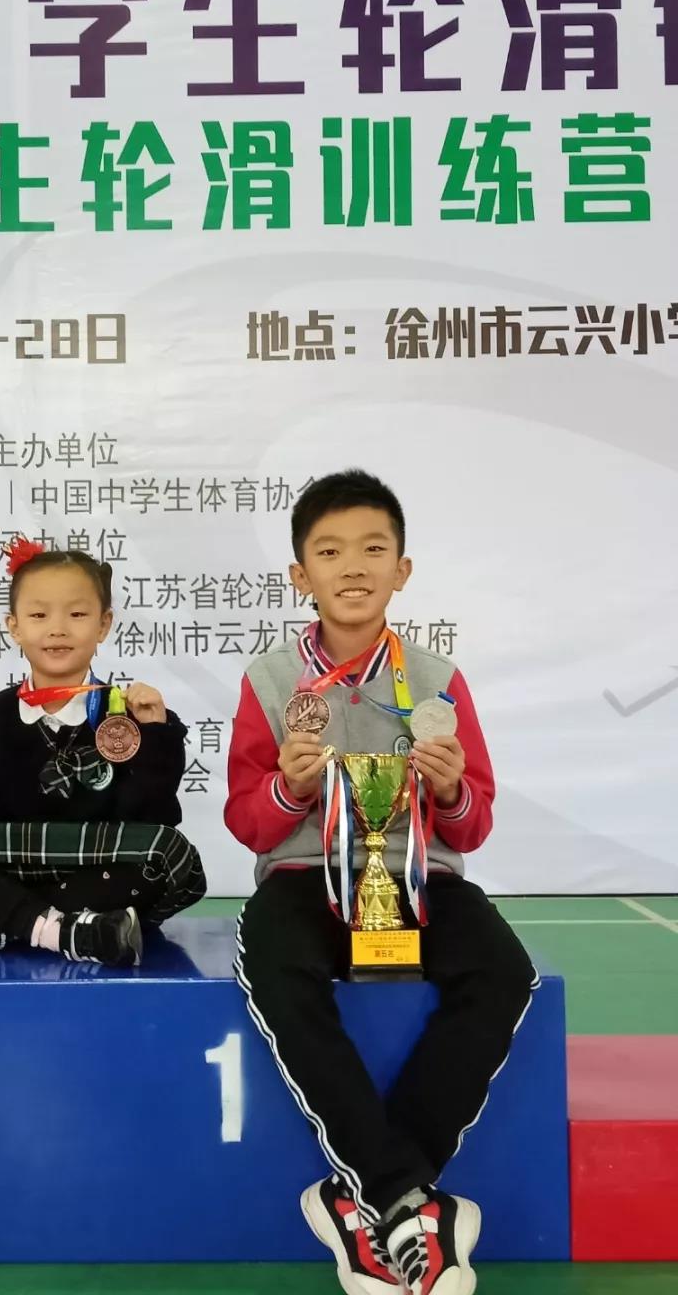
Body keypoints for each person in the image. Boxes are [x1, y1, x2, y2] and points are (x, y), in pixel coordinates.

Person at [225, 469, 536, 1295]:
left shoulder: (437, 679)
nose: (352, 567)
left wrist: (449, 789)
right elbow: (248, 823)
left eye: (372, 549)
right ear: (301, 574)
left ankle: (366, 1197)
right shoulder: (270, 679)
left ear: (403, 569)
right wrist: (289, 788)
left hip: (418, 876)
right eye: (329, 552)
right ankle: (409, 1202)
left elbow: (473, 826)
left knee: (504, 971)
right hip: (305, 877)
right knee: (274, 966)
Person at [0, 539, 206, 967]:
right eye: (39, 615)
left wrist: (156, 734)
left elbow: (152, 815)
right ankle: (69, 933)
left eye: (77, 614)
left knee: (166, 852)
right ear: (14, 627)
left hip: (91, 871)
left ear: (104, 624)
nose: (57, 629)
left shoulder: (124, 714)